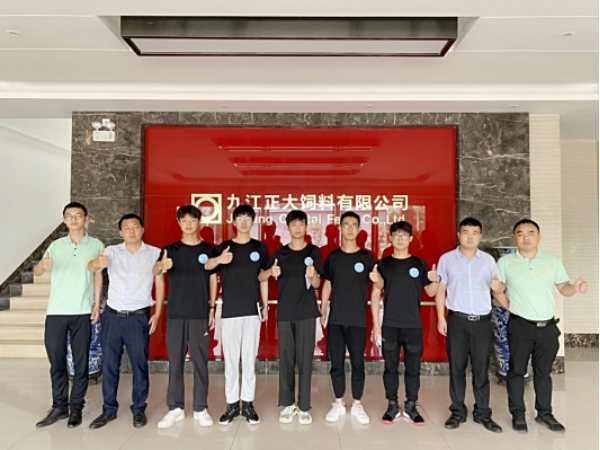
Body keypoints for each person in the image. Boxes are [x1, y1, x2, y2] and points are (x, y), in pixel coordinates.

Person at [500, 219, 588, 435]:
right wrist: (512, 308)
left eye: (531, 233)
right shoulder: (505, 262)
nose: (526, 237)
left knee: (543, 373)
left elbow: (564, 288)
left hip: (547, 327)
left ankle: (545, 414)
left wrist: (575, 288)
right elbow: (497, 289)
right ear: (514, 238)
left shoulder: (552, 261)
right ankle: (518, 414)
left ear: (539, 237)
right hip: (520, 326)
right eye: (520, 233)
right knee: (516, 372)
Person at [87, 214, 165, 430]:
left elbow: (159, 283)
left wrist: (157, 313)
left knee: (139, 365)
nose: (131, 231)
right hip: (112, 317)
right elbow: (94, 270)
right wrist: (96, 264)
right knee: (110, 365)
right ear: (121, 232)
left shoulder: (155, 253)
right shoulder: (111, 252)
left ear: (142, 229)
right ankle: (108, 409)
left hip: (138, 318)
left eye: (135, 227)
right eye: (127, 228)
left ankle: (138, 409)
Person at [435, 218, 509, 434]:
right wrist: (441, 318)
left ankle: (483, 413)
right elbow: (440, 290)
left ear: (480, 236)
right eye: (465, 232)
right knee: (456, 368)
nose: (470, 236)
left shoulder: (488, 261)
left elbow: (497, 288)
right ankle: (457, 411)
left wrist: (511, 306)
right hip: (457, 321)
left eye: (474, 233)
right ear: (459, 234)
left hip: (482, 323)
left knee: (481, 369)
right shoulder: (446, 259)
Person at [34, 202, 104, 429]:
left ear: (86, 219)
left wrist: (96, 304)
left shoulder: (96, 245)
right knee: (56, 362)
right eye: (69, 216)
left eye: (78, 215)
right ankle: (59, 407)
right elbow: (37, 271)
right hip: (56, 312)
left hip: (82, 312)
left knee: (80, 364)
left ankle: (76, 408)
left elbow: (98, 275)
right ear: (64, 220)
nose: (73, 219)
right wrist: (42, 265)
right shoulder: (56, 245)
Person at [153, 205, 219, 429]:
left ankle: (200, 408)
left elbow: (213, 280)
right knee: (175, 363)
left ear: (199, 222)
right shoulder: (170, 250)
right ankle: (175, 408)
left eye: (193, 220)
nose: (188, 224)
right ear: (179, 222)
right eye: (184, 220)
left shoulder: (210, 250)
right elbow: (156, 272)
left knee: (200, 362)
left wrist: (212, 308)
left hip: (199, 314)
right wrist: (160, 266)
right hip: (175, 314)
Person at [370, 221, 440, 426]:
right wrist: (376, 325)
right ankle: (392, 405)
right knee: (390, 368)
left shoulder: (419, 264)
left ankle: (411, 406)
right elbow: (376, 293)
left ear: (410, 239)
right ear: (390, 238)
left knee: (413, 369)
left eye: (404, 236)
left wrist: (436, 280)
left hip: (413, 326)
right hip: (390, 325)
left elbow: (430, 292)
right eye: (396, 235)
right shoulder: (383, 264)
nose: (400, 239)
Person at [206, 205, 269, 426]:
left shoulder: (260, 247)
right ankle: (232, 404)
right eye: (239, 218)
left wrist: (265, 305)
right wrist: (219, 260)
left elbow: (264, 277)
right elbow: (207, 266)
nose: (243, 222)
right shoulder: (224, 247)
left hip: (252, 312)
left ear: (252, 222)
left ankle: (248, 404)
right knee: (231, 361)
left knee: (249, 360)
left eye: (247, 218)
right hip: (230, 313)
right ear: (233, 222)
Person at [260, 210, 324, 425]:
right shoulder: (280, 252)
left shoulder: (314, 251)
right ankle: (288, 404)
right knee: (286, 359)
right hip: (285, 312)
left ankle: (304, 406)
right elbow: (261, 275)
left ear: (306, 227)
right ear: (287, 227)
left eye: (301, 224)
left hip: (306, 312)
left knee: (305, 360)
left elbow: (317, 284)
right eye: (293, 224)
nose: (297, 228)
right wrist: (271, 272)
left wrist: (313, 274)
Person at [319, 212, 376, 425]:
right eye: (346, 225)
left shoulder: (367, 257)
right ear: (340, 229)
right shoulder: (333, 256)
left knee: (358, 363)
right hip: (336, 318)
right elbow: (327, 283)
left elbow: (377, 286)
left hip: (358, 319)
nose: (350, 228)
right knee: (336, 363)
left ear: (359, 229)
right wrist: (323, 308)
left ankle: (357, 404)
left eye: (354, 225)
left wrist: (378, 279)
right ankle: (338, 403)